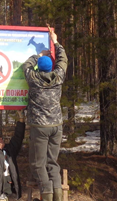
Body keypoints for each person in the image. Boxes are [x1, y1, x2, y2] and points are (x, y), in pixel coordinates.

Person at [22, 25, 68, 201]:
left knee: (38, 163)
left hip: (40, 127)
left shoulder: (33, 79)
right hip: (57, 125)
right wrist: (56, 42)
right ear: (51, 68)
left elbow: (27, 64)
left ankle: (47, 194)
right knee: (52, 162)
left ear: (38, 68)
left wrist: (39, 55)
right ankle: (58, 195)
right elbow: (63, 60)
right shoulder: (58, 77)